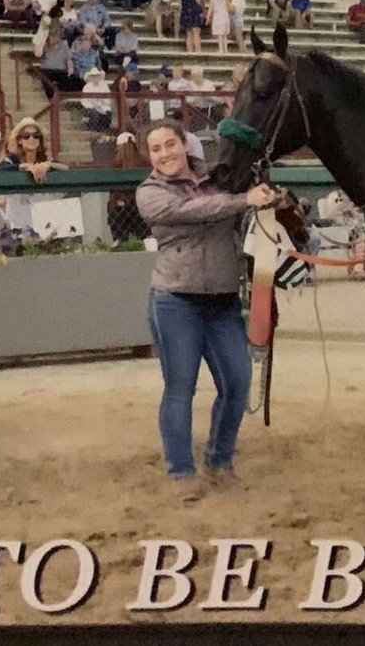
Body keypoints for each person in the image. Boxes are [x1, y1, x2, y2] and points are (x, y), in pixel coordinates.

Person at [136, 118, 278, 489]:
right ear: (149, 156)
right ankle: (181, 472)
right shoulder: (149, 193)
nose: (164, 154)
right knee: (180, 389)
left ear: (185, 145)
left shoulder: (220, 179)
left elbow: (236, 204)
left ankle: (219, 460)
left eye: (170, 144)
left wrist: (269, 200)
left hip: (223, 302)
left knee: (237, 383)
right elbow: (191, 211)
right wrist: (243, 200)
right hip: (175, 301)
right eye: (156, 149)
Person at [0, 117, 67, 254]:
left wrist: (48, 165)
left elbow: (65, 168)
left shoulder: (44, 159)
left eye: (36, 136)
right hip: (18, 215)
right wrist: (26, 166)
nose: (31, 139)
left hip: (41, 214)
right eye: (26, 136)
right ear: (19, 140)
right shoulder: (13, 160)